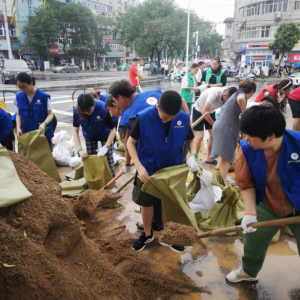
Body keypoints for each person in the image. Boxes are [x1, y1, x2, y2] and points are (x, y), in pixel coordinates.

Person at [226, 105, 300, 283]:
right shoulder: (246, 149)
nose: (245, 140)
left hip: (298, 206)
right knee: (253, 240)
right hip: (267, 203)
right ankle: (248, 272)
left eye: (250, 137)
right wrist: (250, 213)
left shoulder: (298, 143)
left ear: (270, 137)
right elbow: (246, 183)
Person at [127, 91, 199, 252]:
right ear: (157, 106)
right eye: (165, 117)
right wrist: (138, 166)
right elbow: (130, 143)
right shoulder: (144, 117)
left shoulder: (183, 118)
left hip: (172, 169)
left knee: (169, 203)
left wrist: (192, 155)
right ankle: (147, 234)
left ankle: (167, 236)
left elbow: (191, 139)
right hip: (148, 169)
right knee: (146, 203)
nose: (168, 120)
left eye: (171, 118)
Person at [210, 80, 257, 184]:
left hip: (220, 125)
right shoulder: (241, 95)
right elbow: (241, 99)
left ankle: (222, 177)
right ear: (252, 91)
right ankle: (222, 179)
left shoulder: (234, 94)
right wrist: (245, 113)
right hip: (227, 127)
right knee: (227, 154)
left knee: (224, 154)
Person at [73, 93, 116, 176]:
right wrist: (80, 150)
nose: (87, 113)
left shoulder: (103, 108)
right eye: (84, 111)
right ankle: (95, 181)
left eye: (89, 110)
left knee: (109, 159)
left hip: (105, 135)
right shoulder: (76, 110)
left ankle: (112, 180)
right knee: (90, 160)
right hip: (89, 136)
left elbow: (113, 130)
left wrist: (106, 146)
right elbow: (75, 131)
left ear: (94, 104)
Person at [193, 87, 238, 164]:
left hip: (210, 112)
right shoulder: (214, 94)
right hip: (199, 110)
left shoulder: (229, 94)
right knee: (200, 136)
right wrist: (214, 125)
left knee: (213, 134)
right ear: (224, 95)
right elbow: (204, 111)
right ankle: (195, 159)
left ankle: (209, 158)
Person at [14, 73, 54, 145]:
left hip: (42, 134)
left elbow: (50, 114)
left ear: (31, 83)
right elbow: (18, 114)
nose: (22, 89)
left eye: (24, 87)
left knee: (44, 155)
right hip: (27, 134)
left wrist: (44, 124)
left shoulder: (43, 96)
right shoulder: (19, 96)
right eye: (19, 87)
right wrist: (18, 128)